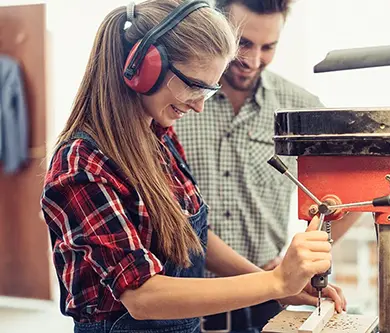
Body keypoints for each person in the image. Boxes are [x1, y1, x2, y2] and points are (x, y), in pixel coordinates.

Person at [40, 0, 346, 332]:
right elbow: (142, 296)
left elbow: (189, 237)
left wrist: (274, 282)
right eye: (194, 86)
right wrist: (275, 283)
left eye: (209, 90)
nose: (200, 106)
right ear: (144, 69)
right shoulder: (83, 163)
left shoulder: (159, 137)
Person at [174, 0, 361, 331]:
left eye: (268, 46)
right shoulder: (175, 102)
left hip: (267, 304)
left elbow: (360, 182)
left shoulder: (299, 107)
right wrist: (277, 280)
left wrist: (310, 252)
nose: (253, 60)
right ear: (218, 30)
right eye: (243, 43)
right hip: (185, 302)